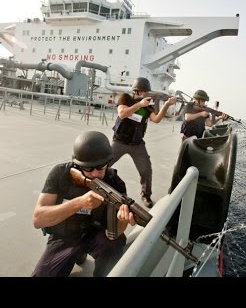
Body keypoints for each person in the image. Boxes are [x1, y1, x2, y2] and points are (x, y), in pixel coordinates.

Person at [31, 131, 136, 277]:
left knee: (114, 246)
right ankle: (77, 254)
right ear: (77, 164)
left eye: (100, 167)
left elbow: (115, 234)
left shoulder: (115, 184)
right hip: (64, 237)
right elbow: (38, 219)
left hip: (97, 236)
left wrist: (121, 222)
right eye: (88, 168)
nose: (94, 173)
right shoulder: (60, 174)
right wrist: (79, 203)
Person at [110, 77, 176, 208]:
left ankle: (146, 195)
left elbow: (156, 119)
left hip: (137, 144)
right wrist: (139, 105)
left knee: (146, 170)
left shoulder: (147, 106)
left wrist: (167, 105)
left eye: (147, 92)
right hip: (120, 142)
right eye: (143, 92)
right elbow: (122, 114)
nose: (146, 94)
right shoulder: (125, 98)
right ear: (136, 91)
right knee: (103, 164)